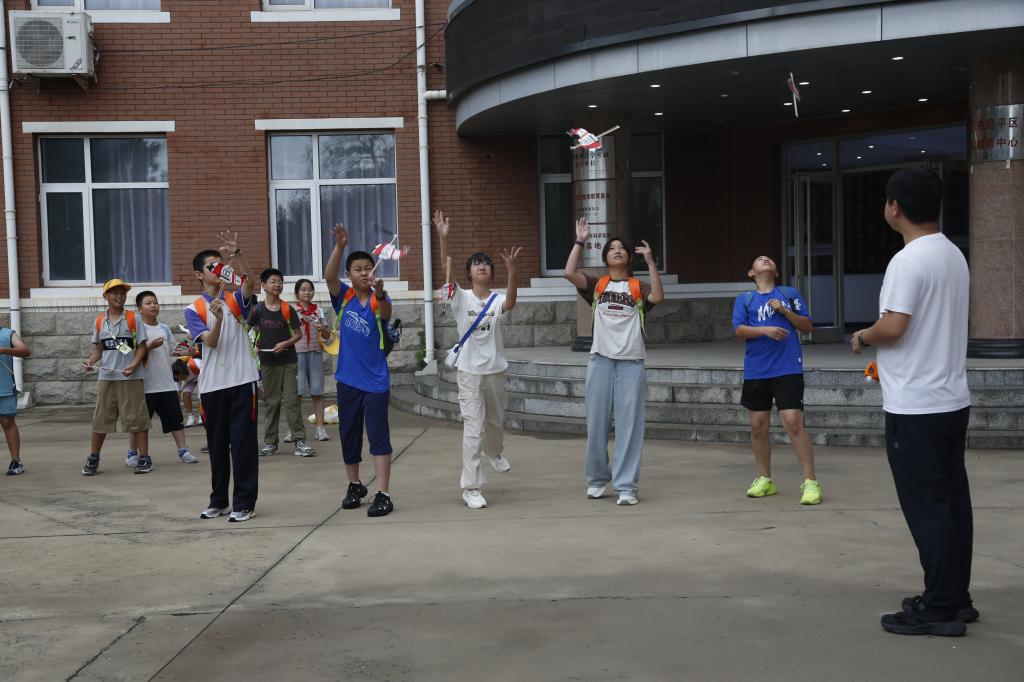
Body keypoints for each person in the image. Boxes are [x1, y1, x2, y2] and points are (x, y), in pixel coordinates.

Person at [851, 167, 975, 637]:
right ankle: (955, 597)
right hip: (950, 398)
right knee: (952, 503)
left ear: (894, 207)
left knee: (927, 507)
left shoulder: (908, 261)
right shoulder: (952, 254)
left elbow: (894, 326)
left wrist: (863, 336)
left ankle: (939, 607)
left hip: (915, 405)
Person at [563, 218, 663, 506]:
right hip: (601, 362)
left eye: (622, 248)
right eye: (612, 248)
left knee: (629, 427)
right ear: (605, 257)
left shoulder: (638, 286)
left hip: (631, 364)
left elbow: (658, 296)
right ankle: (597, 480)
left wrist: (651, 262)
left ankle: (626, 486)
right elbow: (569, 273)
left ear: (629, 257)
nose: (617, 250)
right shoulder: (598, 285)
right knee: (596, 425)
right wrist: (580, 241)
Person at [434, 209, 520, 509]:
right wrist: (443, 238)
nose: (481, 266)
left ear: (491, 272)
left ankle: (494, 451)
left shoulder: (497, 299)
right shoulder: (461, 297)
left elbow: (511, 302)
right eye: (476, 263)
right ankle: (470, 487)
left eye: (486, 263)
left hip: (495, 369)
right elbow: (446, 271)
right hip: (469, 371)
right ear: (469, 273)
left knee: (495, 421)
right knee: (473, 427)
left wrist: (512, 271)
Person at [732, 256, 821, 505]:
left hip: (787, 367)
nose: (765, 259)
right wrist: (765, 330)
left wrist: (784, 311)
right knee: (758, 426)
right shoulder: (745, 299)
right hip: (757, 370)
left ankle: (811, 482)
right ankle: (765, 479)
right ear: (751, 273)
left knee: (793, 421)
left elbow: (807, 326)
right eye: (759, 260)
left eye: (769, 259)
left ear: (777, 271)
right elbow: (738, 331)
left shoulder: (789, 294)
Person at [184, 233, 260, 522]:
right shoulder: (194, 309)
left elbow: (249, 283)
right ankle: (219, 500)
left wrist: (238, 255)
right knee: (217, 446)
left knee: (242, 445)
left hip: (242, 380)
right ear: (198, 275)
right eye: (211, 267)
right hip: (212, 385)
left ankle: (244, 502)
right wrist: (216, 320)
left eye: (220, 266)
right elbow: (211, 343)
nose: (218, 271)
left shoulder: (235, 299)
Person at [324, 223, 395, 517]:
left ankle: (383, 493)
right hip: (347, 381)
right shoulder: (344, 296)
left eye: (368, 268)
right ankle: (354, 485)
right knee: (349, 435)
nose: (364, 273)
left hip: (376, 383)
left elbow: (386, 314)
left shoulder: (380, 298)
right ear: (349, 274)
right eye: (358, 269)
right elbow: (329, 277)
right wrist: (340, 245)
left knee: (378, 438)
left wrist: (381, 293)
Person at [82, 279, 151, 475]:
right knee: (101, 419)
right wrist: (90, 361)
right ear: (105, 296)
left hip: (131, 378)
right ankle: (93, 458)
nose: (119, 296)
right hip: (106, 377)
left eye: (122, 292)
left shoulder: (133, 318)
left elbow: (142, 347)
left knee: (137, 419)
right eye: (114, 292)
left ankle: (144, 458)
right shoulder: (99, 321)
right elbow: (99, 348)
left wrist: (133, 364)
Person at [249, 268, 313, 457]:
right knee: (271, 403)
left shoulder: (287, 309)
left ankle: (300, 441)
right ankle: (271, 443)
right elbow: (246, 330)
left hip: (288, 362)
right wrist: (253, 346)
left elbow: (298, 335)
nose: (277, 285)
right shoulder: (257, 309)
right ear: (263, 286)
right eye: (273, 282)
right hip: (267, 363)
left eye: (280, 282)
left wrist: (285, 343)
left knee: (292, 401)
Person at [129, 291, 197, 464]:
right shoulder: (134, 330)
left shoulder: (164, 328)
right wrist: (148, 346)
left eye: (155, 302)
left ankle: (183, 451)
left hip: (166, 384)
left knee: (175, 419)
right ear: (139, 309)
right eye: (148, 303)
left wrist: (186, 352)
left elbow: (171, 350)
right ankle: (132, 453)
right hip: (144, 385)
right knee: (139, 423)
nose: (153, 305)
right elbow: (128, 353)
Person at [292, 278, 332, 442]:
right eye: (303, 289)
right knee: (296, 393)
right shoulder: (292, 311)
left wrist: (323, 329)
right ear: (297, 293)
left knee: (317, 392)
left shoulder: (319, 311)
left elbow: (327, 336)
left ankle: (320, 429)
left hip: (315, 352)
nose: (307, 292)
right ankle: (294, 429)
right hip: (297, 353)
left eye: (310, 289)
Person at [0, 327, 30, 475]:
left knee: (7, 422)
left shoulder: (7, 334)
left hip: (4, 387)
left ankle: (16, 461)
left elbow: (25, 351)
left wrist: (3, 350)